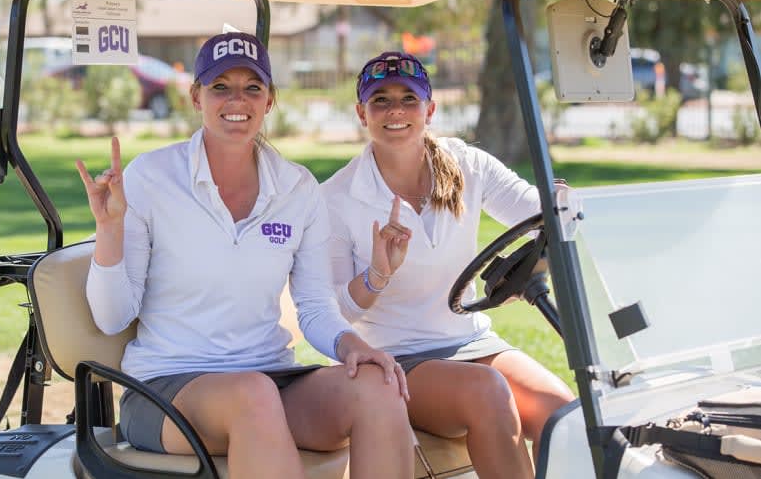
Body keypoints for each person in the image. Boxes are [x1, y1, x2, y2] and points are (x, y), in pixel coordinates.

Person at [75, 33, 413, 479]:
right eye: (221, 87)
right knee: (252, 396)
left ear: (269, 101)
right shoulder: (150, 177)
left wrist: (354, 345)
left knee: (378, 386)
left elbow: (313, 306)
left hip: (271, 381)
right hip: (164, 390)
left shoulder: (297, 188)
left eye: (252, 87)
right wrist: (109, 229)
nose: (238, 99)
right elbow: (112, 317)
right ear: (197, 96)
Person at [320, 51, 575, 479]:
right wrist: (377, 275)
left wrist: (558, 213)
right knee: (487, 393)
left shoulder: (467, 165)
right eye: (380, 100)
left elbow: (537, 215)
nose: (395, 111)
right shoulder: (337, 197)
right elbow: (334, 312)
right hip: (397, 359)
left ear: (430, 109)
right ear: (361, 112)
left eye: (409, 99)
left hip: (472, 344)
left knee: (564, 415)